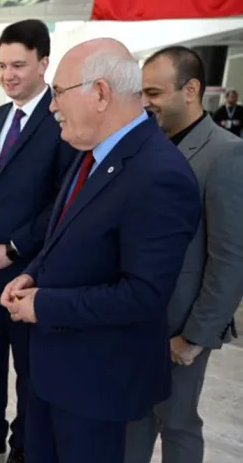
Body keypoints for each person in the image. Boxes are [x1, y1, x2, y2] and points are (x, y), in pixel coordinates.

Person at [1, 38, 202, 463]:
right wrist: (33, 273)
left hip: (97, 391)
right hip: (55, 377)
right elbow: (69, 234)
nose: (53, 107)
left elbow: (143, 295)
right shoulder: (92, 151)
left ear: (100, 93)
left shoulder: (159, 174)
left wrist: (45, 305)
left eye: (58, 93)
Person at [0, 19, 77, 463]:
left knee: (29, 367)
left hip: (30, 271)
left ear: (44, 62)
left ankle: (24, 444)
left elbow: (63, 203)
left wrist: (13, 248)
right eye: (3, 65)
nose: (8, 75)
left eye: (19, 65)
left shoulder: (61, 120)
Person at [127, 47, 243, 463]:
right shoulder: (147, 145)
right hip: (139, 318)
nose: (145, 102)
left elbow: (230, 258)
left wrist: (196, 337)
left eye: (154, 92)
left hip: (182, 325)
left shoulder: (226, 154)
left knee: (177, 423)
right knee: (134, 418)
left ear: (191, 89)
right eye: (142, 92)